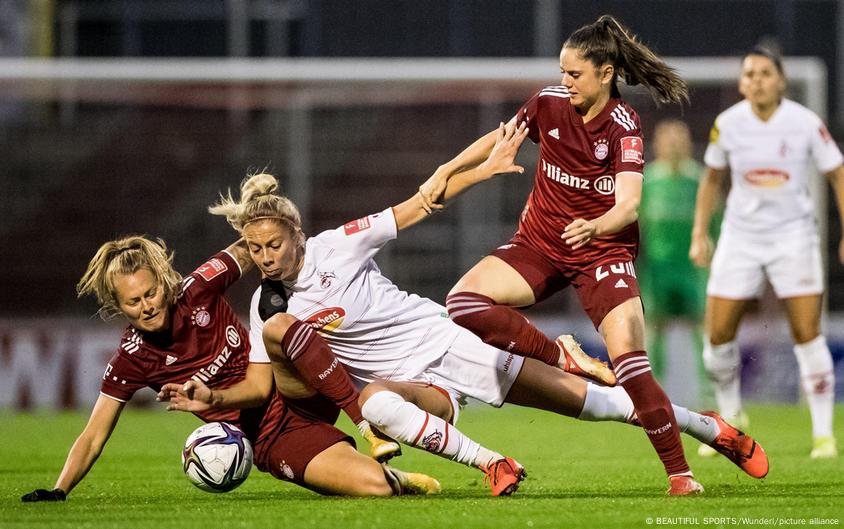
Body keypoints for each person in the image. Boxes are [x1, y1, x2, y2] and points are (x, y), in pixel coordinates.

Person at [164, 121, 769, 498]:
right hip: (406, 385)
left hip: (450, 344)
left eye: (274, 244)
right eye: (257, 249)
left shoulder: (339, 245)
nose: (267, 257)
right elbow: (268, 379)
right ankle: (494, 465)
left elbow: (421, 203)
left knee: (596, 407)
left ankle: (707, 427)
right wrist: (212, 398)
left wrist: (481, 170)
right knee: (373, 404)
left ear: (296, 233)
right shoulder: (266, 306)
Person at [408, 14, 706, 495]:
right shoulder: (548, 103)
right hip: (541, 245)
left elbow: (629, 204)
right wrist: (447, 168)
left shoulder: (623, 126)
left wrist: (595, 225)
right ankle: (560, 354)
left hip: (601, 250)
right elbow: (501, 136)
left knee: (631, 366)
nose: (564, 82)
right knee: (462, 302)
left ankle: (681, 475)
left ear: (606, 73)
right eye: (562, 72)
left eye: (574, 74)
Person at [21, 235, 439, 502]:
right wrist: (60, 490)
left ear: (164, 283)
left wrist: (258, 212)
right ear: (118, 307)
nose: (147, 305)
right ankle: (396, 475)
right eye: (134, 302)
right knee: (375, 488)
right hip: (270, 436)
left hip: (290, 383)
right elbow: (94, 433)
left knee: (282, 325)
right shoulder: (132, 359)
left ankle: (374, 412)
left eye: (151, 293)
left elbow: (252, 245)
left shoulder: (198, 288)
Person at [689, 47, 844, 459]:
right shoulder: (728, 123)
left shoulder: (805, 122)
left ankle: (824, 436)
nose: (755, 80)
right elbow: (710, 180)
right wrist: (700, 233)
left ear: (780, 80)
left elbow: (837, 172)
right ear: (742, 83)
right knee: (717, 336)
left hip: (794, 237)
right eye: (749, 74)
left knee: (807, 334)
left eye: (763, 73)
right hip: (741, 238)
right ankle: (731, 413)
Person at [639, 120, 711, 398]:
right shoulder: (648, 180)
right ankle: (654, 388)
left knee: (702, 327)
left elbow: (714, 221)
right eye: (667, 140)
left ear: (688, 144)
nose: (673, 145)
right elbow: (636, 223)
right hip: (657, 268)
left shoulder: (699, 179)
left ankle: (707, 389)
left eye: (678, 140)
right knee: (654, 327)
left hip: (692, 268)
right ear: (657, 145)